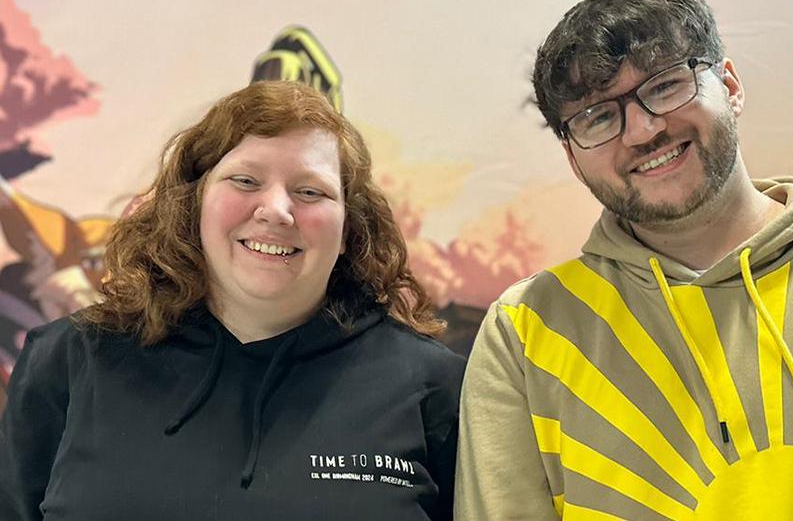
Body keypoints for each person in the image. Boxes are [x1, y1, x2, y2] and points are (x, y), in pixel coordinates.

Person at [455, 0, 793, 520]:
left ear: (729, 85)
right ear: (571, 155)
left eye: (663, 85)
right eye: (598, 117)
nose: (641, 130)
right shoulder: (524, 333)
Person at [0, 81, 465, 520]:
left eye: (310, 191)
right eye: (245, 181)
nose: (276, 210)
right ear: (193, 204)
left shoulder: (432, 386)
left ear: (348, 230)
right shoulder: (70, 360)